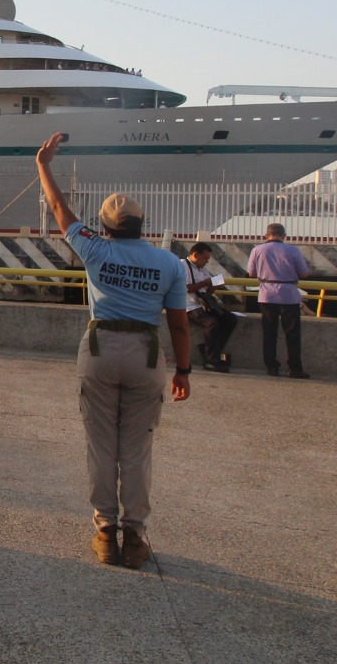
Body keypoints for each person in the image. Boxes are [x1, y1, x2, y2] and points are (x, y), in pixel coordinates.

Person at [36, 134, 191, 569]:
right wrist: (184, 371)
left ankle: (105, 531)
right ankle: (136, 535)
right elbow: (178, 323)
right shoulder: (169, 263)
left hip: (101, 348)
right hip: (147, 352)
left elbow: (60, 211)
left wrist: (43, 165)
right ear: (143, 224)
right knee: (137, 448)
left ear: (104, 227)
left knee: (101, 445)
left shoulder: (95, 249)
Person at [247, 223, 312, 378]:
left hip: (267, 294)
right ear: (284, 236)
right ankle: (295, 368)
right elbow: (304, 274)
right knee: (292, 333)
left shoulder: (257, 250)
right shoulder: (293, 250)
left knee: (269, 332)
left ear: (266, 236)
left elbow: (251, 273)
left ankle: (272, 367)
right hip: (289, 295)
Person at [184, 242, 237, 372]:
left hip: (204, 304)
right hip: (189, 305)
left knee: (231, 319)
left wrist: (213, 285)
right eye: (205, 258)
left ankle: (211, 350)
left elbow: (208, 293)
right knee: (212, 323)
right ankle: (211, 359)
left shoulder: (203, 269)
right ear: (196, 255)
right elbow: (186, 288)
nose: (207, 261)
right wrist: (205, 283)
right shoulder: (182, 266)